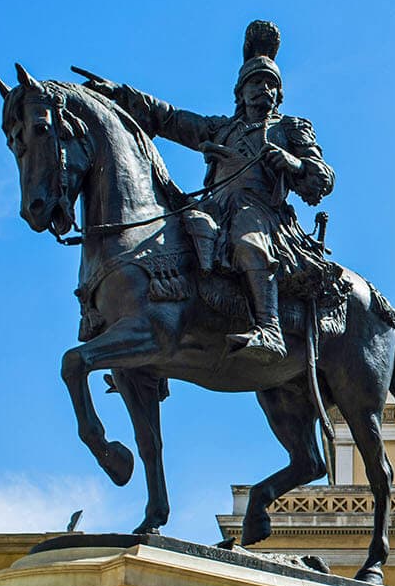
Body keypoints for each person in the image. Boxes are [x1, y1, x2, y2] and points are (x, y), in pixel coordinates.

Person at [78, 21, 334, 366]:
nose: (264, 89)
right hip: (214, 208)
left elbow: (322, 177)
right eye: (256, 82)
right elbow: (170, 118)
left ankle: (270, 330)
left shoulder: (290, 128)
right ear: (241, 92)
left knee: (248, 241)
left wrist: (294, 163)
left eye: (271, 84)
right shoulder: (221, 129)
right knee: (167, 244)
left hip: (260, 210)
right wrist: (119, 94)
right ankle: (153, 341)